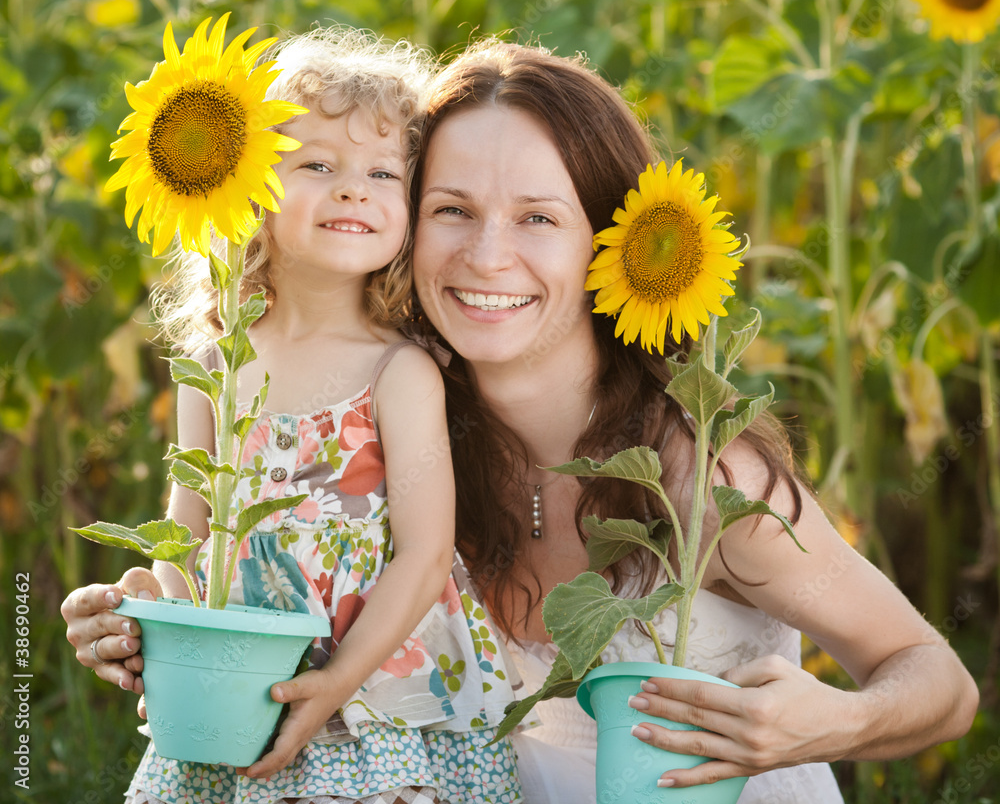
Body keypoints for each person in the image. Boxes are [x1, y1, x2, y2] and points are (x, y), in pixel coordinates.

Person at [64, 39, 979, 803]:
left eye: (539, 217)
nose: (487, 254)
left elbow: (936, 683)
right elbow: (258, 576)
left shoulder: (699, 478)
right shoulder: (398, 448)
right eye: (450, 208)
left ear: (607, 243)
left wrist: (834, 720)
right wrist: (159, 624)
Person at [65, 28, 522, 804]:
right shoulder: (215, 367)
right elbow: (191, 535)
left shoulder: (398, 369)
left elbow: (423, 551)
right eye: (318, 165)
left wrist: (340, 680)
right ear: (247, 193)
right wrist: (155, 612)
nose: (354, 189)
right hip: (239, 691)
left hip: (372, 700)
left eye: (384, 172)